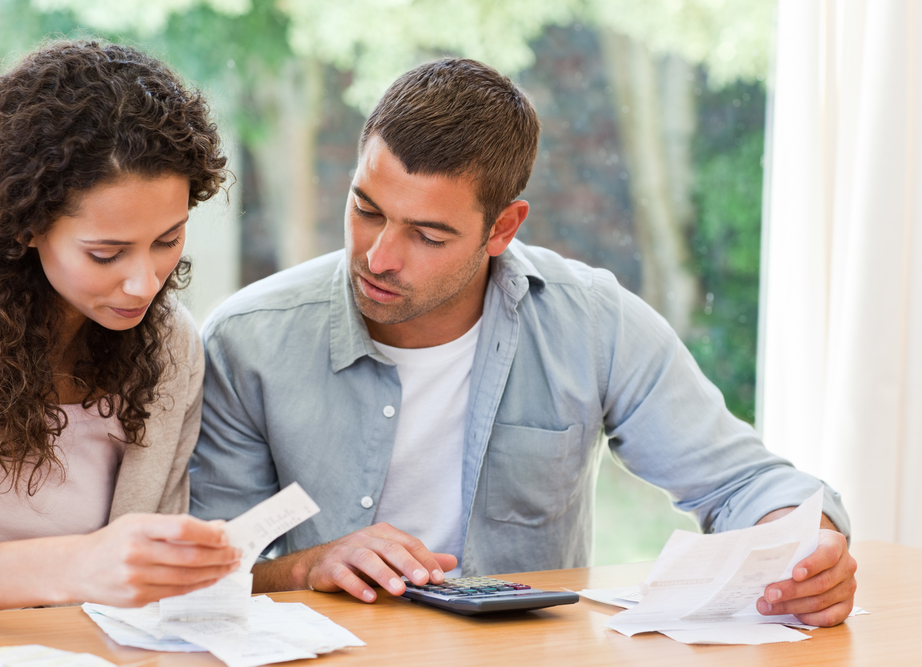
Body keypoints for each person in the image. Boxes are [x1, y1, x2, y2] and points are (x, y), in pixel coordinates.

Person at [190, 58, 857, 627]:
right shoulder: (248, 342)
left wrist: (807, 547)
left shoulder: (591, 322)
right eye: (366, 209)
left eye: (427, 234)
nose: (379, 256)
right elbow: (204, 576)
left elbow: (746, 482)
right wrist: (307, 565)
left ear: (503, 228)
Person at [0, 40, 242, 621]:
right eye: (105, 254)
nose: (144, 284)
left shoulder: (170, 344)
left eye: (168, 240)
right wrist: (76, 564)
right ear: (25, 226)